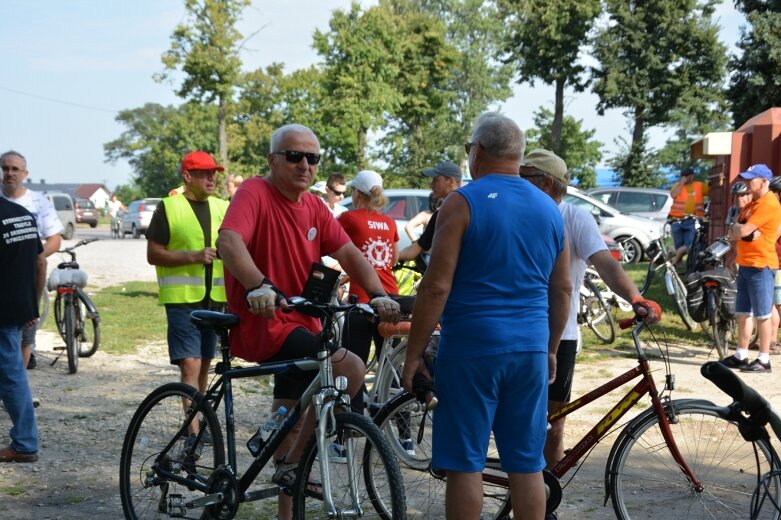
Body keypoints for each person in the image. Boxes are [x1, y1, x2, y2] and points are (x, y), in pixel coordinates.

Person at [215, 123, 400, 520]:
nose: (304, 165)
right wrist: (258, 285)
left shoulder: (315, 206)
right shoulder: (255, 192)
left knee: (292, 421)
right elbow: (228, 241)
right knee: (350, 366)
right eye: (294, 156)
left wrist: (380, 295)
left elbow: (350, 253)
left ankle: (289, 480)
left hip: (304, 327)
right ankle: (294, 466)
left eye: (312, 158)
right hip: (264, 323)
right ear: (272, 160)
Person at [402, 113, 572, 520]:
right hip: (529, 349)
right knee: (527, 464)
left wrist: (414, 355)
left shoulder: (462, 202)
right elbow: (563, 288)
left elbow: (436, 286)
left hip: (472, 349)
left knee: (465, 463)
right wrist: (549, 350)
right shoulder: (550, 210)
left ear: (477, 151)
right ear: (516, 154)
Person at [519, 149, 661, 473]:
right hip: (520, 330)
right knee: (521, 423)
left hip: (561, 333)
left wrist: (635, 298)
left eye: (525, 178)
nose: (518, 183)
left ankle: (546, 495)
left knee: (554, 423)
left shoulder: (574, 217)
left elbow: (606, 265)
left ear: (547, 183)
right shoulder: (515, 215)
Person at [146, 150, 229, 443]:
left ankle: (198, 419)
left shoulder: (223, 207)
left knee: (205, 363)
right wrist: (193, 256)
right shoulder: (169, 207)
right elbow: (153, 254)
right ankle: (192, 430)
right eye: (205, 173)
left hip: (214, 298)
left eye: (214, 173)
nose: (211, 178)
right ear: (187, 177)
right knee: (190, 364)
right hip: (182, 299)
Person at [1, 150, 63, 372]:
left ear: (25, 173)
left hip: (31, 275)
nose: (10, 173)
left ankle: (19, 384)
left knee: (27, 336)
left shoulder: (38, 202)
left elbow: (55, 238)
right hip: (4, 277)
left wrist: (32, 258)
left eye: (15, 169)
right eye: (5, 168)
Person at [720, 164, 781, 372]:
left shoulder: (768, 204)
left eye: (751, 179)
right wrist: (741, 232)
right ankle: (741, 355)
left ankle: (764, 359)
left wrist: (742, 231)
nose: (748, 183)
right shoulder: (752, 204)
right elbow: (733, 230)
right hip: (746, 264)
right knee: (743, 312)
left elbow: (743, 228)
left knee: (763, 314)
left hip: (761, 265)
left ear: (764, 181)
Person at [0, 197, 45, 462]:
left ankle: (25, 443)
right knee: (10, 372)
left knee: (11, 375)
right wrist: (33, 304)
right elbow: (41, 262)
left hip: (3, 311)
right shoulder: (21, 214)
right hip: (19, 306)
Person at [398, 161, 462, 262]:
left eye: (436, 180)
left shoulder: (468, 208)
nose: (431, 185)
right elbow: (417, 248)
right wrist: (391, 256)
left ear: (451, 181)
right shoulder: (439, 214)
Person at [669, 167, 709, 265]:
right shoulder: (677, 185)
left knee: (690, 245)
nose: (686, 178)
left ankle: (676, 260)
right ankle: (677, 266)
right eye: (684, 176)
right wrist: (681, 183)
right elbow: (673, 195)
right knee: (679, 246)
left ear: (692, 176)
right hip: (677, 220)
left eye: (687, 176)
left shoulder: (699, 185)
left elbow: (710, 191)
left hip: (692, 221)